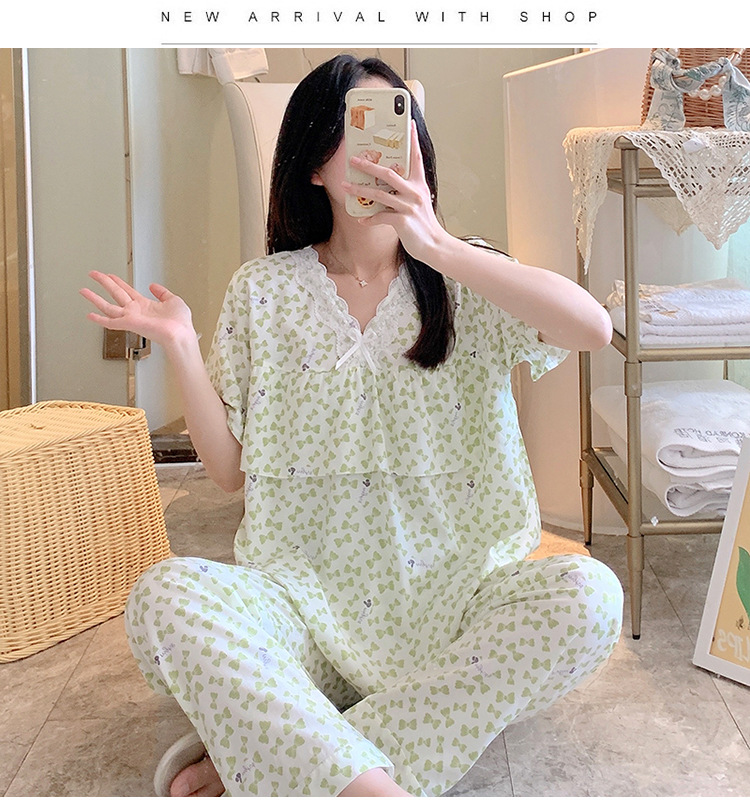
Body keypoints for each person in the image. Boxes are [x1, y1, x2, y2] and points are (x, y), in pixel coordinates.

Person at [81, 54, 623, 798]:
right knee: (165, 595)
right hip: (302, 614)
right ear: (313, 164)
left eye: (396, 124)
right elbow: (228, 471)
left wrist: (439, 247)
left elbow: (592, 328)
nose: (380, 148)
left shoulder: (469, 276)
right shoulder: (263, 290)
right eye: (356, 127)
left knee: (589, 595)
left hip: (456, 612)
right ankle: (364, 782)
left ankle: (280, 754)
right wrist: (178, 342)